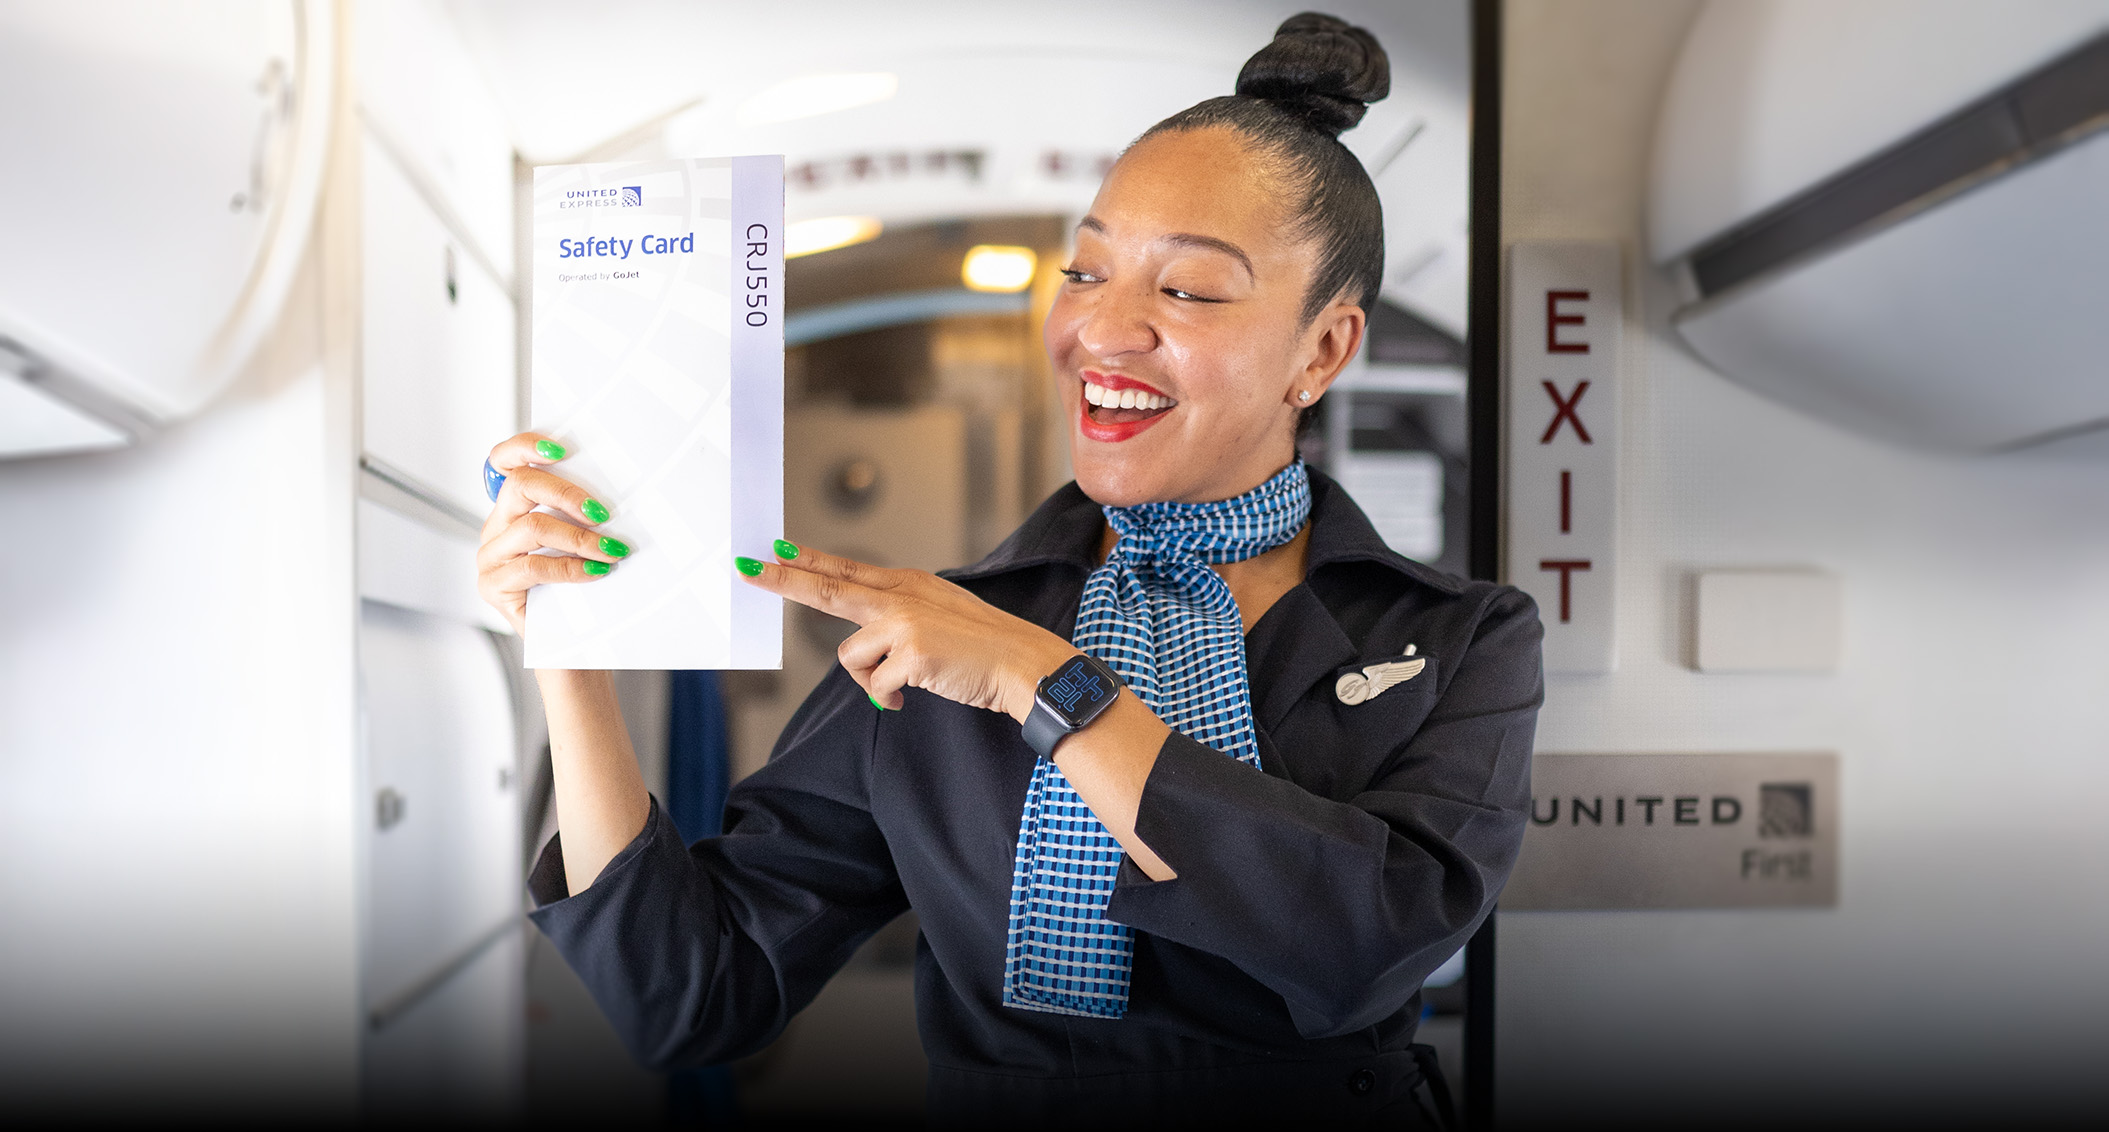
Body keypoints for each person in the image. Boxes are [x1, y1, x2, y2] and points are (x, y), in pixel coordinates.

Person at [476, 12, 1541, 1127]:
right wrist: (570, 643)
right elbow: (690, 997)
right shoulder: (942, 636)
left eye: (1186, 290)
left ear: (1322, 350)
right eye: (1085, 270)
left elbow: (1360, 949)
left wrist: (1050, 688)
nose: (1103, 328)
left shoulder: (1460, 640)